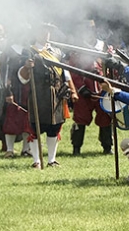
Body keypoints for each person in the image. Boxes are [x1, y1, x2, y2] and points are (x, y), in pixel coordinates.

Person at [18, 24, 78, 168]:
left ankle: (51, 159)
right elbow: (22, 77)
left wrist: (73, 90)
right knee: (35, 128)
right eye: (42, 31)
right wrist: (27, 66)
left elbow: (65, 73)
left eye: (48, 31)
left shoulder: (57, 51)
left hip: (56, 94)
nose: (46, 34)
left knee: (55, 127)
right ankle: (37, 161)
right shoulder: (29, 51)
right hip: (38, 93)